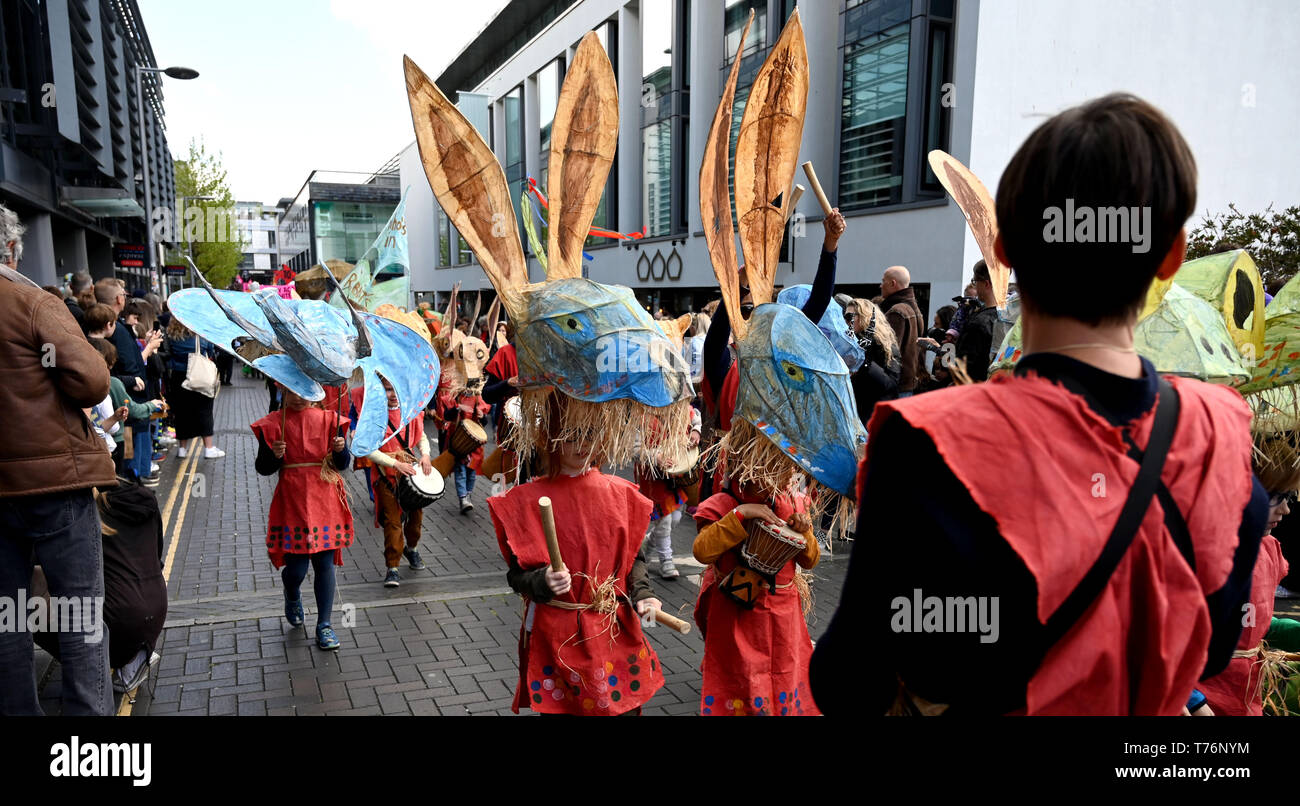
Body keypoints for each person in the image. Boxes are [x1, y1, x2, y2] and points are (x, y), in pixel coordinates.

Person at [811, 93, 1269, 716]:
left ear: (1005, 251)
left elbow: (849, 678)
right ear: (1171, 256)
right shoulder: (1224, 446)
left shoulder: (925, 445)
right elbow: (1211, 649)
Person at [0, 203, 118, 715]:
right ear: (10, 248)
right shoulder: (28, 301)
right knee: (81, 620)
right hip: (54, 484)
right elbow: (92, 380)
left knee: (9, 621)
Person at [488, 420, 665, 715]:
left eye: (590, 434)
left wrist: (643, 592)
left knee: (623, 708)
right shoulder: (526, 499)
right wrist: (541, 581)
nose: (582, 445)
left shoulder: (620, 493)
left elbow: (633, 556)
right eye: (571, 436)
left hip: (612, 624)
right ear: (551, 439)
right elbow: (516, 575)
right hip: (559, 631)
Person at [692, 479, 821, 715]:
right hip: (737, 613)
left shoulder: (792, 502)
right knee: (743, 678)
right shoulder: (724, 503)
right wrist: (741, 513)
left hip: (783, 614)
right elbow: (702, 550)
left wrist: (805, 533)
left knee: (784, 673)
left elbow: (810, 560)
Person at [1198, 438, 1297, 715]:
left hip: (1247, 696)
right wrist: (1191, 700)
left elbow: (1251, 624)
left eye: (1289, 498)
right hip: (1201, 698)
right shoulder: (1197, 552)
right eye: (1276, 497)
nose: (1286, 510)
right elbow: (1158, 641)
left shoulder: (1269, 549)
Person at [250, 387, 354, 650]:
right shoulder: (274, 423)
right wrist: (274, 455)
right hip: (292, 500)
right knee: (296, 569)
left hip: (325, 498)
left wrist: (341, 450)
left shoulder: (331, 420)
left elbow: (342, 464)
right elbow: (262, 468)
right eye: (292, 390)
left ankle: (325, 625)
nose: (299, 396)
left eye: (305, 390)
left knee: (324, 563)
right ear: (282, 389)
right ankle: (292, 593)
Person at [363, 378, 433, 588]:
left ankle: (411, 549)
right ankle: (392, 567)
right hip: (386, 476)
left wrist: (426, 455)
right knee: (393, 522)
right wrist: (394, 463)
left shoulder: (411, 411)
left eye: (395, 389)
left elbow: (421, 436)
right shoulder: (374, 415)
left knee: (415, 518)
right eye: (387, 389)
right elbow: (369, 450)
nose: (392, 394)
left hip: (410, 473)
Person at [97, 278, 161, 482]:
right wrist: (131, 378)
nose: (125, 298)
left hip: (126, 407)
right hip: (124, 407)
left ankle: (133, 476)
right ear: (118, 299)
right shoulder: (113, 331)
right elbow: (118, 369)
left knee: (129, 448)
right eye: (124, 294)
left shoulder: (118, 329)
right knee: (127, 453)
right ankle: (131, 479)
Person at [89, 338, 162, 477]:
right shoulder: (112, 383)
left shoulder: (92, 384)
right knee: (121, 477)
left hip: (101, 444)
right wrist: (151, 405)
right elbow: (129, 414)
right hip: (114, 442)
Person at [163, 318, 224, 458]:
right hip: (199, 376)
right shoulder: (200, 334)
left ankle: (182, 449)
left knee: (182, 413)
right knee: (205, 411)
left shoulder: (171, 334)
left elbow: (168, 354)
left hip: (178, 378)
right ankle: (208, 448)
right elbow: (210, 351)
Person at [844, 298, 901, 426]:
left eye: (849, 316)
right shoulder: (851, 343)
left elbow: (890, 384)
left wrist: (863, 364)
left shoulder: (885, 344)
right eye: (845, 316)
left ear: (865, 317)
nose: (846, 321)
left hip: (875, 415)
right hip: (855, 413)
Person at [879, 265, 924, 397]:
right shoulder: (914, 309)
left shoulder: (896, 312)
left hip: (896, 386)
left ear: (893, 283)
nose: (880, 286)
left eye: (883, 281)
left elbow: (887, 352)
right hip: (907, 383)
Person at [952, 260, 1001, 382]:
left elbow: (965, 368)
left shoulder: (978, 323)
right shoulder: (1012, 318)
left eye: (975, 281)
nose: (974, 286)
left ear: (987, 284)